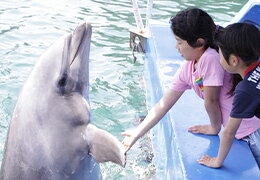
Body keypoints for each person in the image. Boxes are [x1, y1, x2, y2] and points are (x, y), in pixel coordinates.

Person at [121, 7, 260, 161]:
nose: (176, 47)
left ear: (199, 42)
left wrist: (214, 128)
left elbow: (211, 101)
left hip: (250, 131)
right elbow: (164, 104)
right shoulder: (189, 66)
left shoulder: (210, 58)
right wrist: (138, 132)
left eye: (180, 42)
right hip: (242, 131)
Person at [198, 23, 260, 168]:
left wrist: (217, 161)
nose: (218, 58)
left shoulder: (245, 90)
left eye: (219, 53)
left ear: (233, 60)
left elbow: (229, 132)